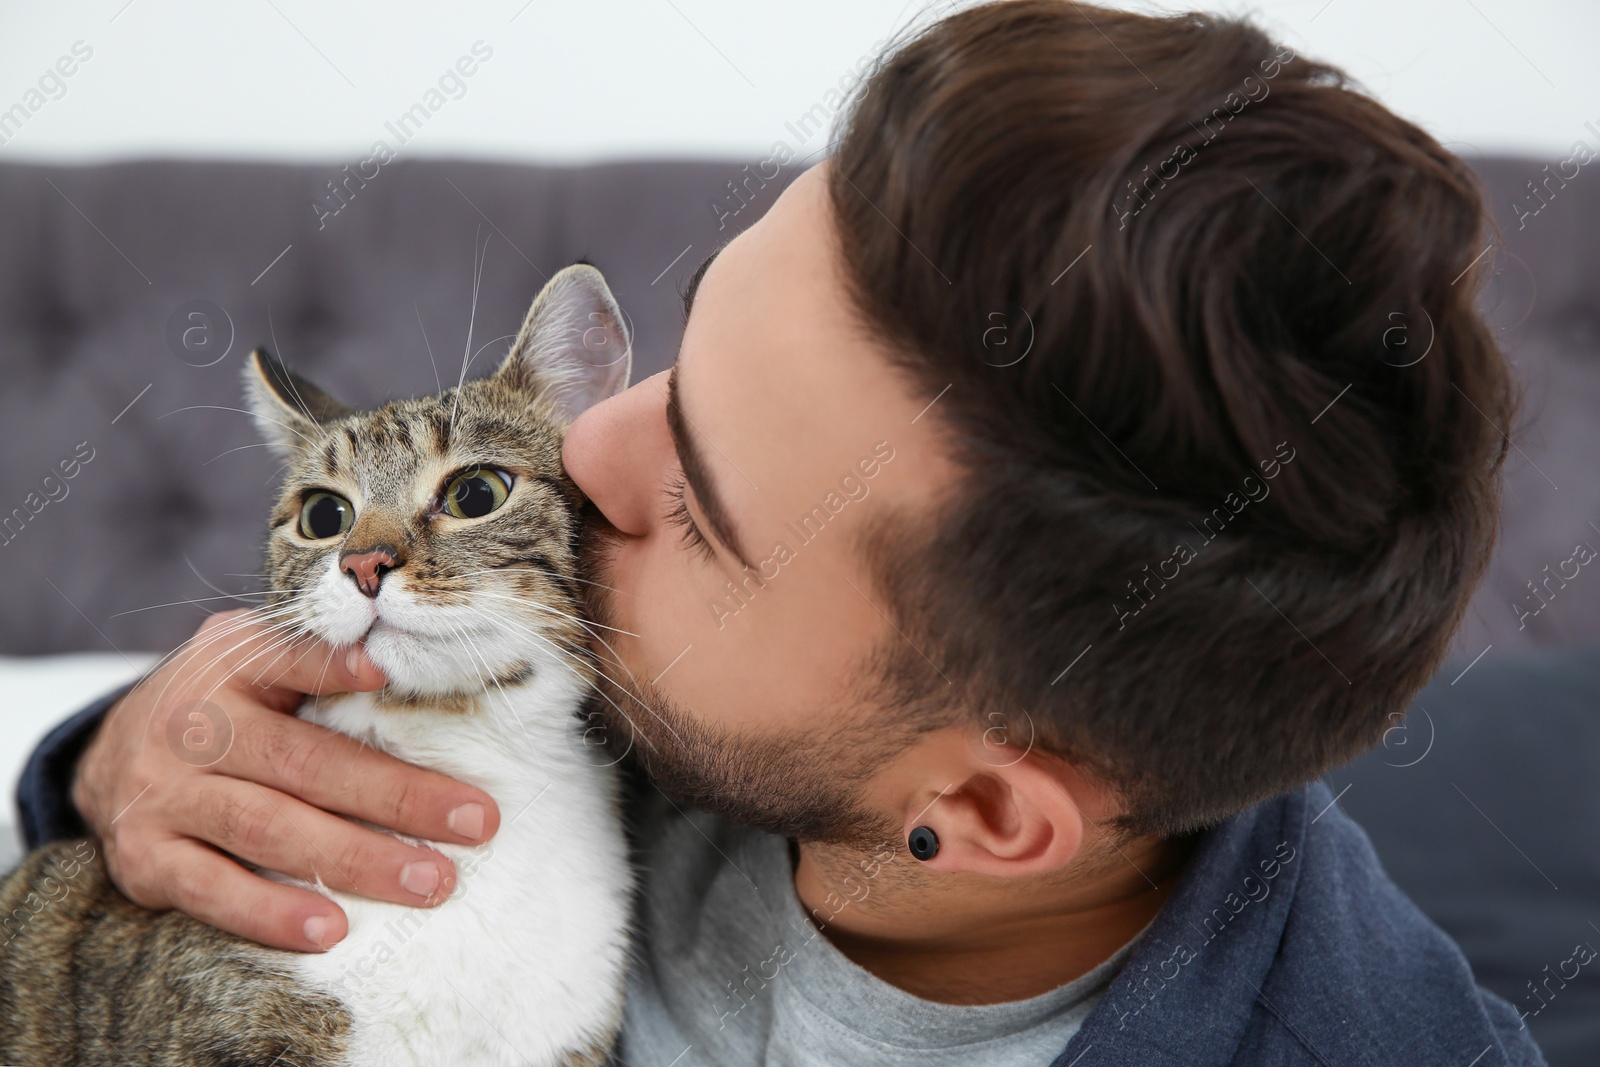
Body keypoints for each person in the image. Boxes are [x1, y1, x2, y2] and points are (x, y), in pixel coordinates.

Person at [18, 2, 1546, 1064]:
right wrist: (105, 761)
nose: (582, 457)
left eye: (708, 508)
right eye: (687, 354)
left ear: (985, 814)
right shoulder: (648, 688)